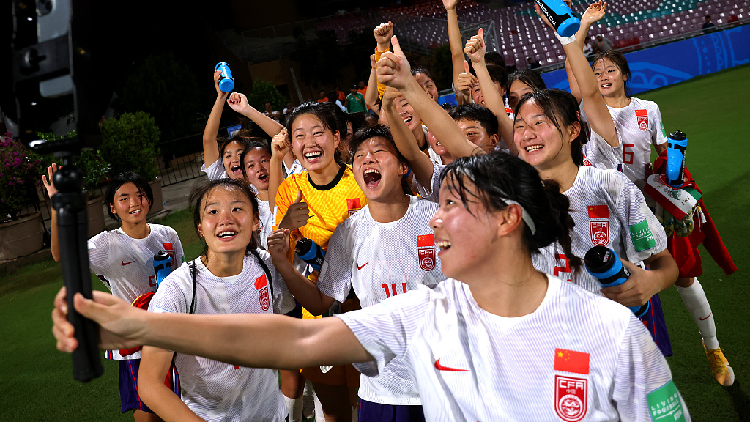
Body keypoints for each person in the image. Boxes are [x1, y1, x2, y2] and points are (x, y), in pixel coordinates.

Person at [52, 152, 691, 421]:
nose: (433, 217)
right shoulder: (426, 312)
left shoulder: (610, 335)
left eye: (453, 205)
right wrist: (140, 327)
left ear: (506, 219)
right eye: (435, 202)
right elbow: (288, 342)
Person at [269, 125, 446, 421]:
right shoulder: (349, 232)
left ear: (403, 166)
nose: (367, 160)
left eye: (379, 152)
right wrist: (283, 264)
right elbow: (320, 301)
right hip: (383, 391)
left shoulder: (435, 217)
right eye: (360, 156)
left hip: (444, 379)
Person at [513, 88, 679, 356]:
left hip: (615, 342)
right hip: (548, 349)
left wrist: (654, 282)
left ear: (572, 130)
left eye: (539, 123)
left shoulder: (609, 185)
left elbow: (665, 262)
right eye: (519, 125)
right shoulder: (509, 202)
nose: (527, 134)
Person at [139, 178, 295, 421]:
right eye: (213, 211)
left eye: (237, 209)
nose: (226, 219)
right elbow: (150, 384)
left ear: (255, 221)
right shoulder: (179, 290)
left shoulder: (266, 265)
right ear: (201, 227)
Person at [43, 167, 184, 422]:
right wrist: (57, 206)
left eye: (139, 195)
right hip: (134, 341)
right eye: (124, 198)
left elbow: (182, 283)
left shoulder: (168, 235)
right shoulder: (105, 245)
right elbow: (60, 255)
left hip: (171, 334)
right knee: (148, 414)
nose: (134, 203)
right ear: (112, 208)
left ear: (149, 200)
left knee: (182, 407)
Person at [274, 102, 367, 422]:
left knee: (371, 402)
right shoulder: (289, 189)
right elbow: (280, 255)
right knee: (333, 407)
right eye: (299, 136)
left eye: (318, 133)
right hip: (317, 314)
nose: (309, 143)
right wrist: (287, 226)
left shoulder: (361, 179)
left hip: (365, 309)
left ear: (337, 137)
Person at [202, 71, 251, 181]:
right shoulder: (221, 179)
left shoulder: (260, 183)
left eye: (240, 154)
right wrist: (221, 97)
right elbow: (208, 139)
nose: (234, 160)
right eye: (228, 156)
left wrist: (248, 110)